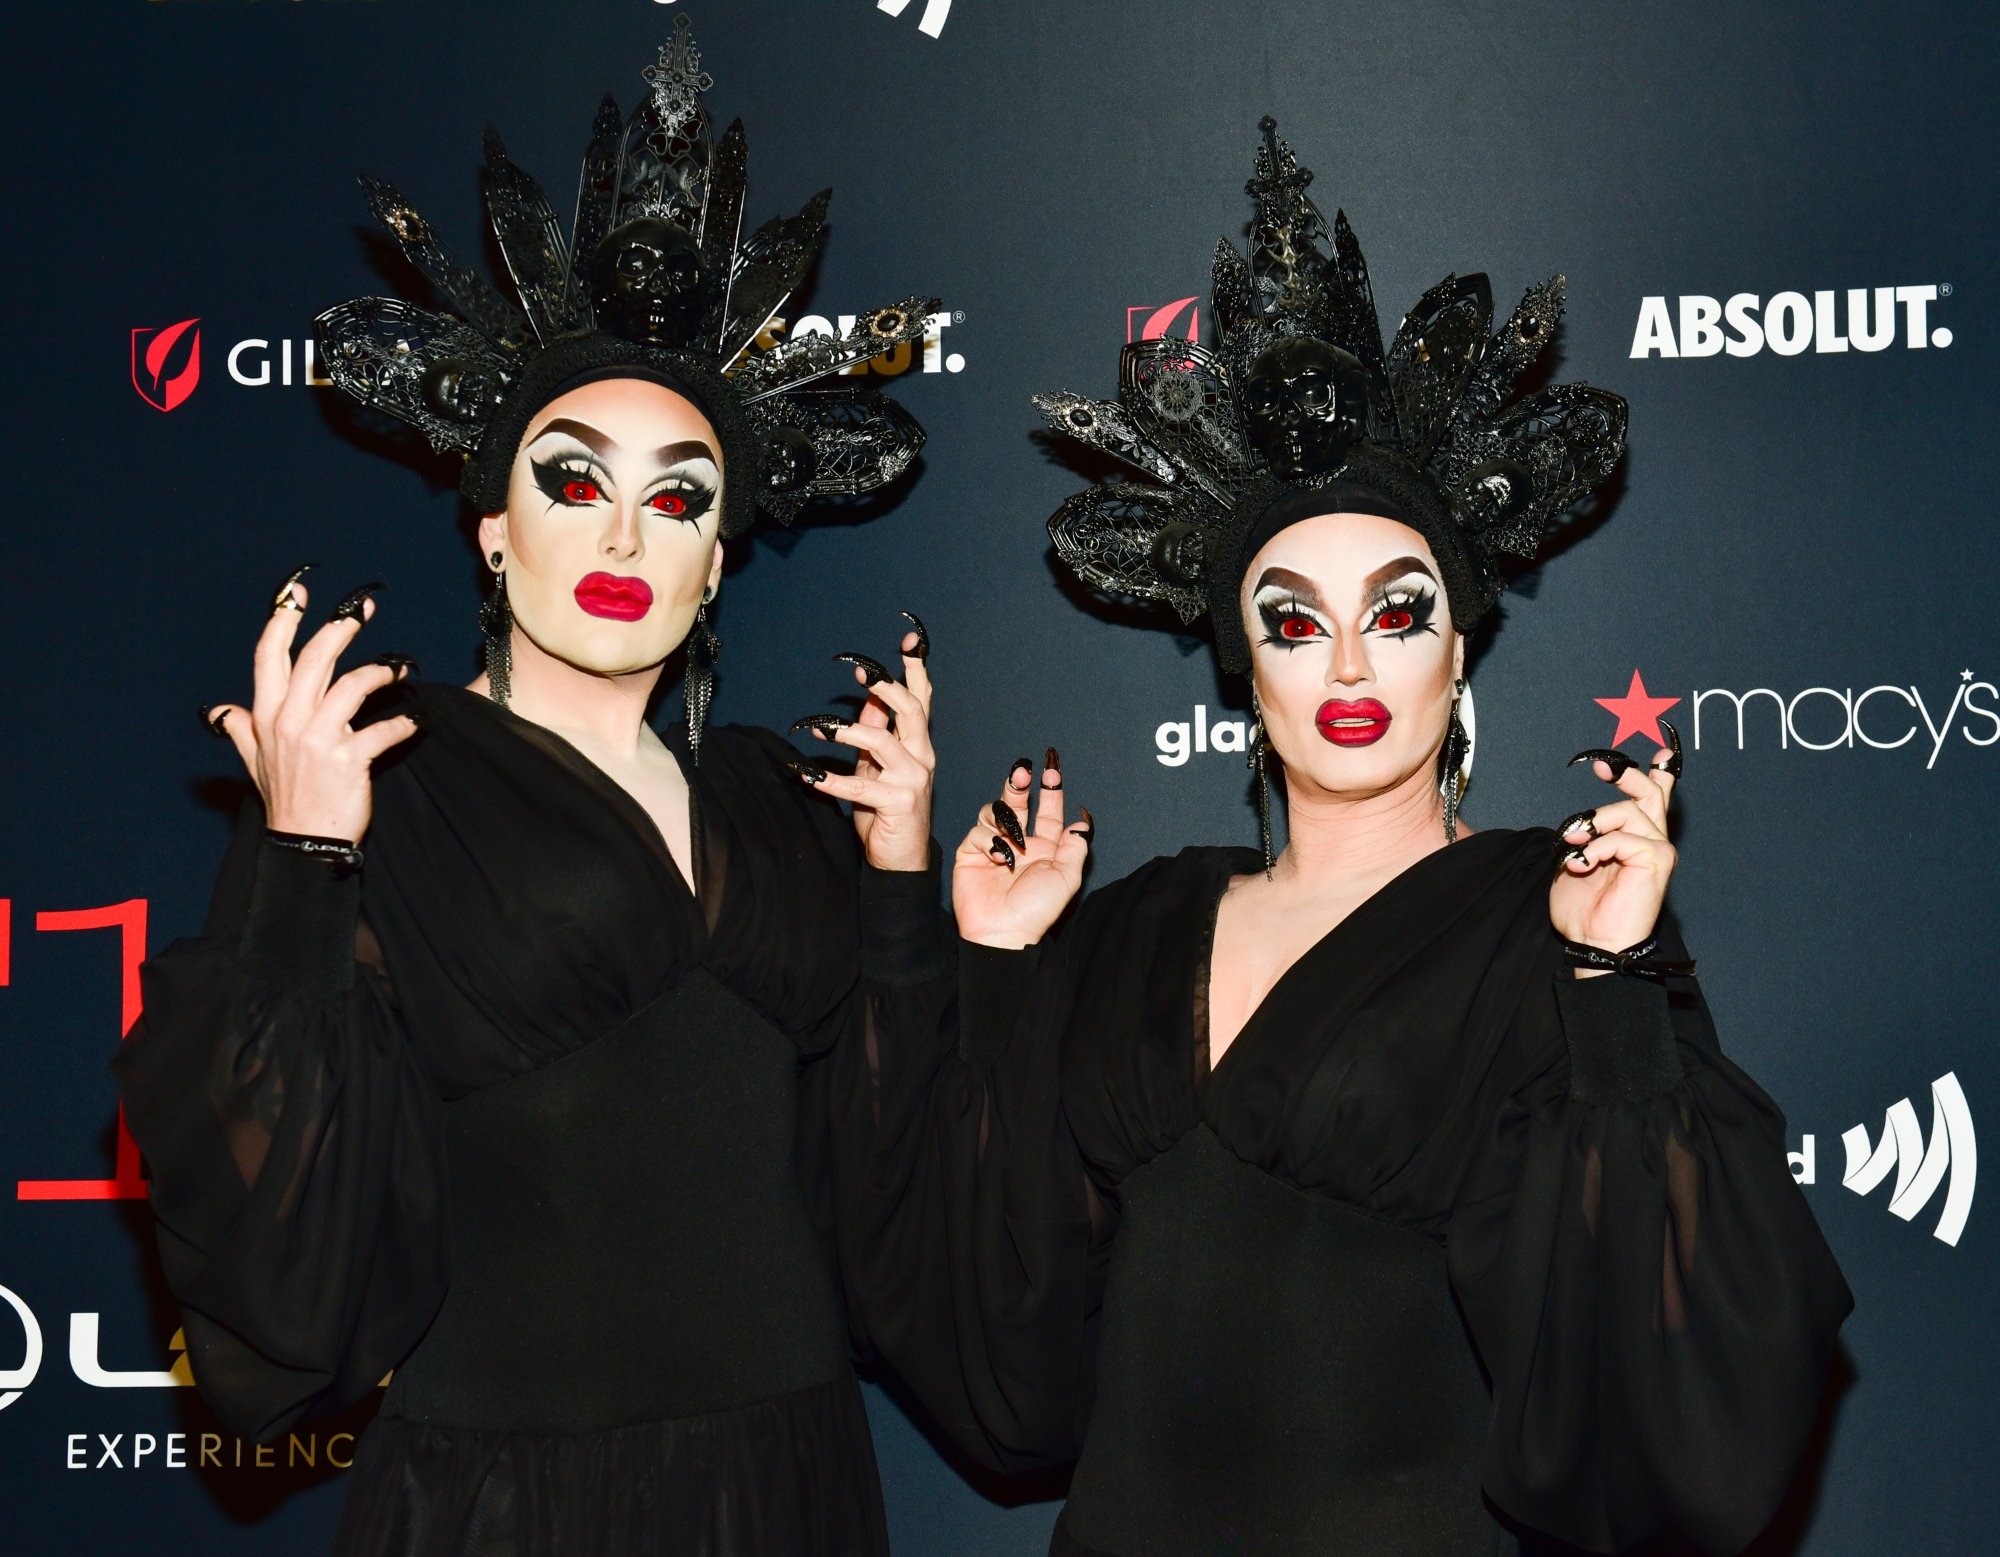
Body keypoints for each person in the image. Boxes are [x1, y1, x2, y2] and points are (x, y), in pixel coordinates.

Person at [830, 121, 1852, 1556]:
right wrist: (993, 972)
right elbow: (1000, 1355)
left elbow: (1681, 1401)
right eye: (1293, 621)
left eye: (1398, 609)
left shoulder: (1544, 921)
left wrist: (1618, 996)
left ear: (1460, 648)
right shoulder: (1133, 924)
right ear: (1243, 669)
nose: (1351, 667)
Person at [112, 22, 945, 1554]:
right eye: (574, 479)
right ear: (492, 528)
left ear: (717, 560)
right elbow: (267, 1226)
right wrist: (304, 858)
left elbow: (889, 1191)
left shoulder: (781, 799)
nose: (625, 536)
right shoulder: (384, 771)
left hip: (793, 1485)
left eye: (678, 498)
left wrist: (898, 893)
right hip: (512, 1501)